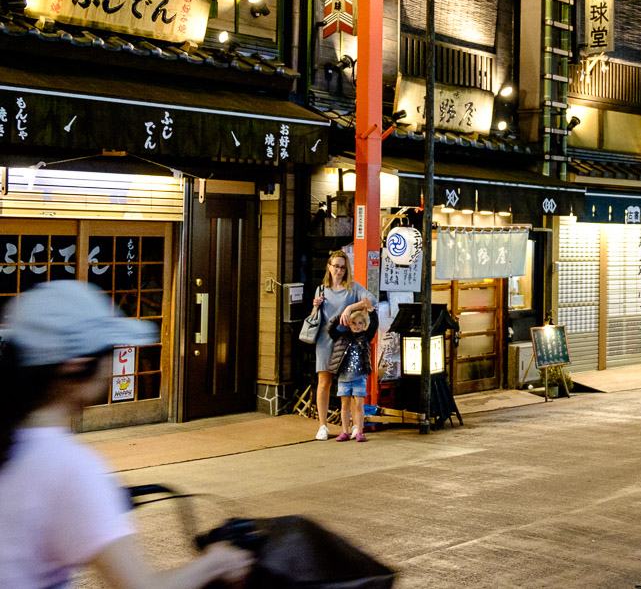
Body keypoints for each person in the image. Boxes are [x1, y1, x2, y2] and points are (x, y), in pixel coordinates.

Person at [0, 280, 253, 588]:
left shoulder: (15, 443)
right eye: (110, 351)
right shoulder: (70, 466)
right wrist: (217, 561)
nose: (112, 365)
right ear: (75, 365)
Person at [311, 250, 376, 440]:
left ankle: (356, 426)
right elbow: (315, 316)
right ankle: (323, 425)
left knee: (352, 383)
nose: (338, 270)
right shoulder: (321, 289)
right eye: (335, 266)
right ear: (329, 267)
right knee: (324, 381)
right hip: (325, 340)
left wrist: (351, 307)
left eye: (342, 266)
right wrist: (315, 305)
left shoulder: (353, 288)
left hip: (347, 343)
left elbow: (371, 299)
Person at [328, 307, 379, 441]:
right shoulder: (342, 337)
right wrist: (341, 317)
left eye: (360, 323)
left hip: (359, 376)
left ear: (364, 325)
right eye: (354, 323)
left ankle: (359, 430)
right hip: (343, 377)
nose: (357, 326)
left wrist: (372, 312)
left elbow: (374, 325)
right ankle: (345, 431)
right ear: (349, 324)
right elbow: (330, 329)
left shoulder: (366, 337)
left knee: (359, 405)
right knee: (344, 405)